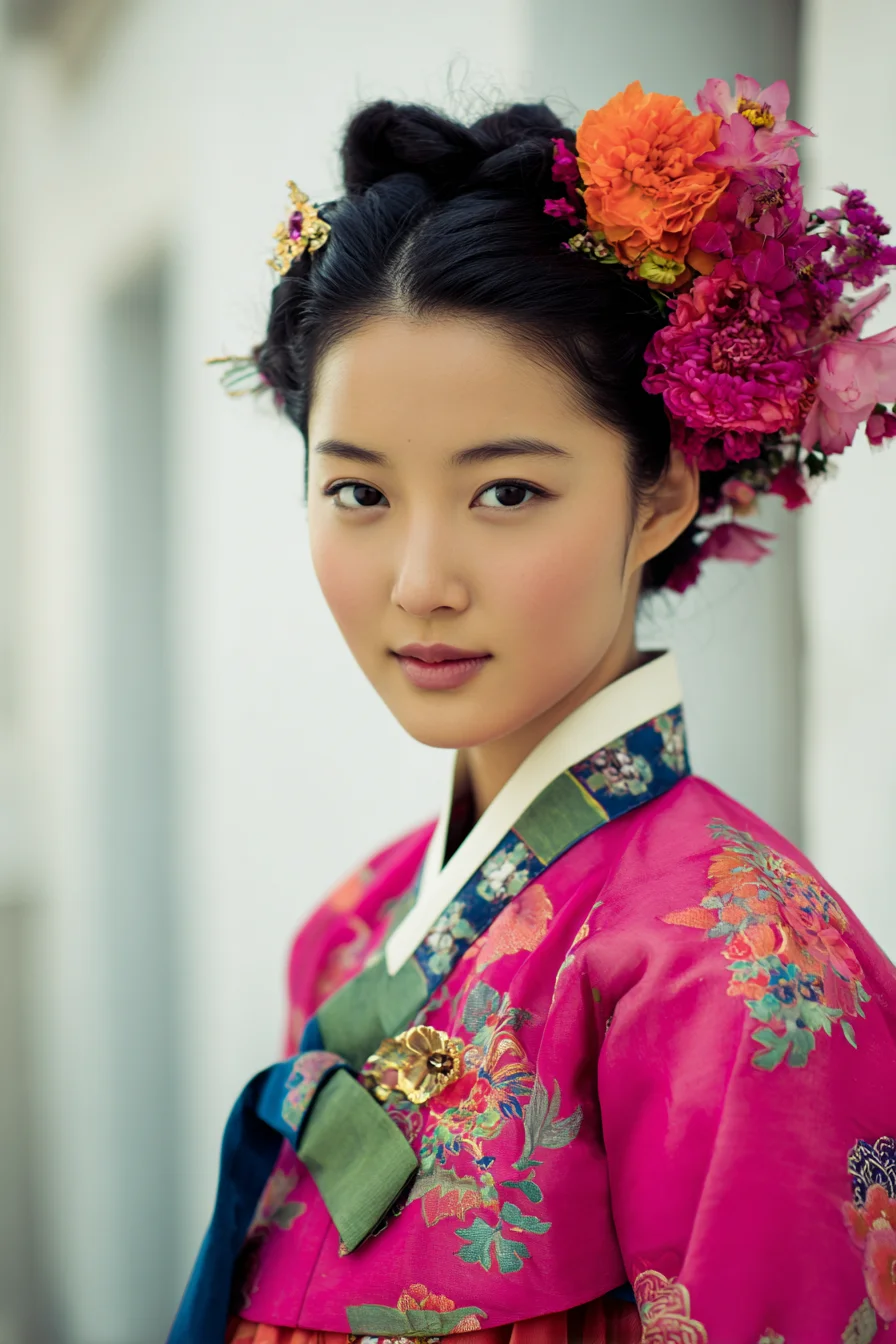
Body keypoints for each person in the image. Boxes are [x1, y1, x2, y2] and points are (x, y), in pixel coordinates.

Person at [172, 76, 896, 1344]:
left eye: (504, 493)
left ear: (659, 495)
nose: (419, 583)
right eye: (358, 494)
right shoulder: (348, 929)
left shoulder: (739, 979)